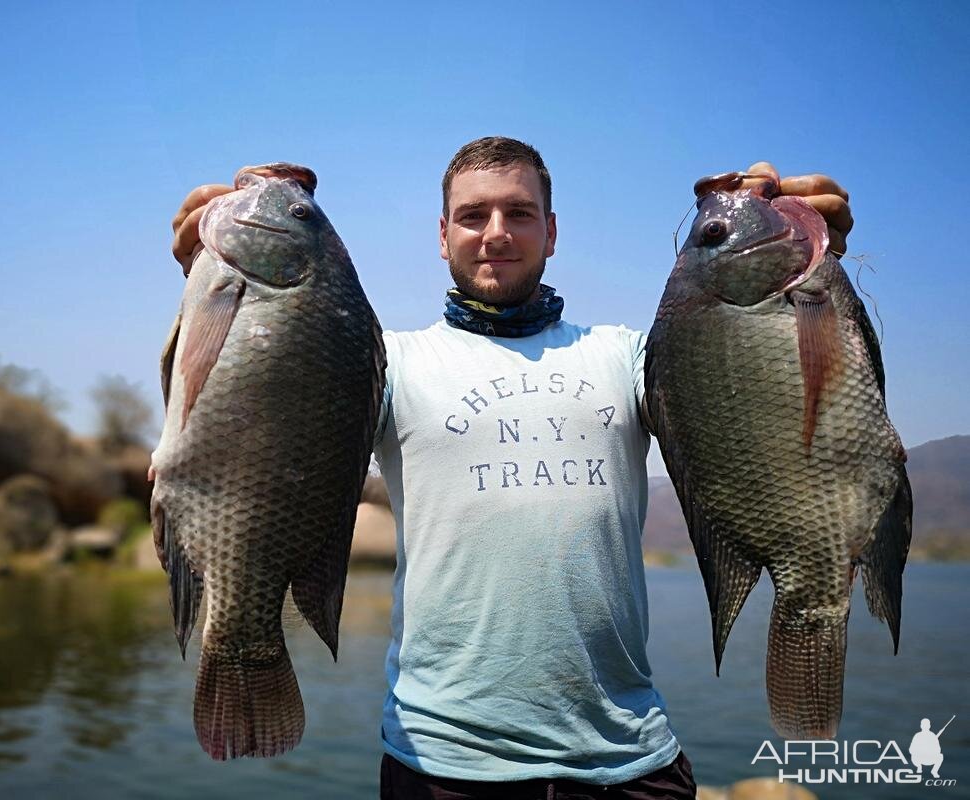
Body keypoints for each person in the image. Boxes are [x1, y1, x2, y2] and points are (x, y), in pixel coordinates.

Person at [170, 137, 853, 799]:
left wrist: (806, 267)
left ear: (551, 232)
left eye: (518, 213)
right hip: (440, 764)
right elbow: (246, 415)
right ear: (443, 235)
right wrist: (204, 292)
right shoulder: (382, 360)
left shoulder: (628, 356)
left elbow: (750, 389)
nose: (495, 232)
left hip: (628, 758)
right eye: (473, 215)